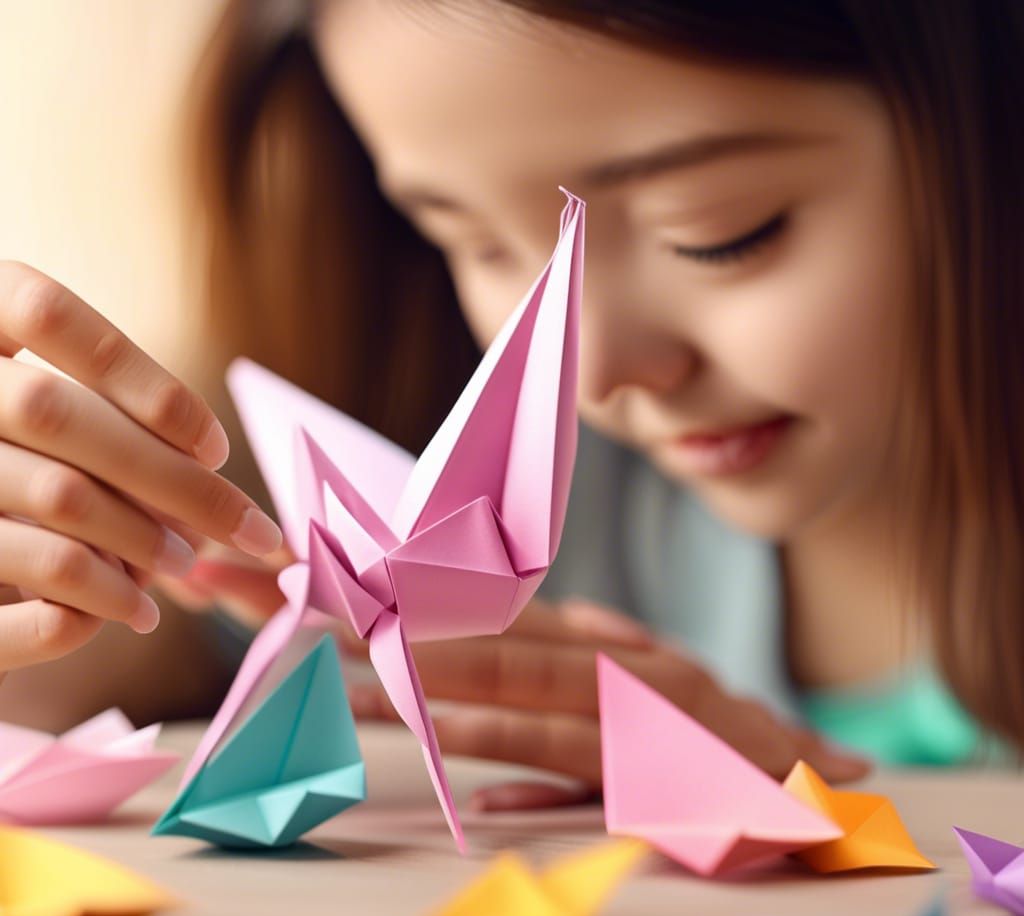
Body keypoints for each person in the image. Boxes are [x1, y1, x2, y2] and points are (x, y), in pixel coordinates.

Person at [3, 1, 1021, 811]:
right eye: (478, 244)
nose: (589, 375)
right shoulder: (440, 460)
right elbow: (100, 653)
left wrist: (815, 805)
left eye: (717, 231)